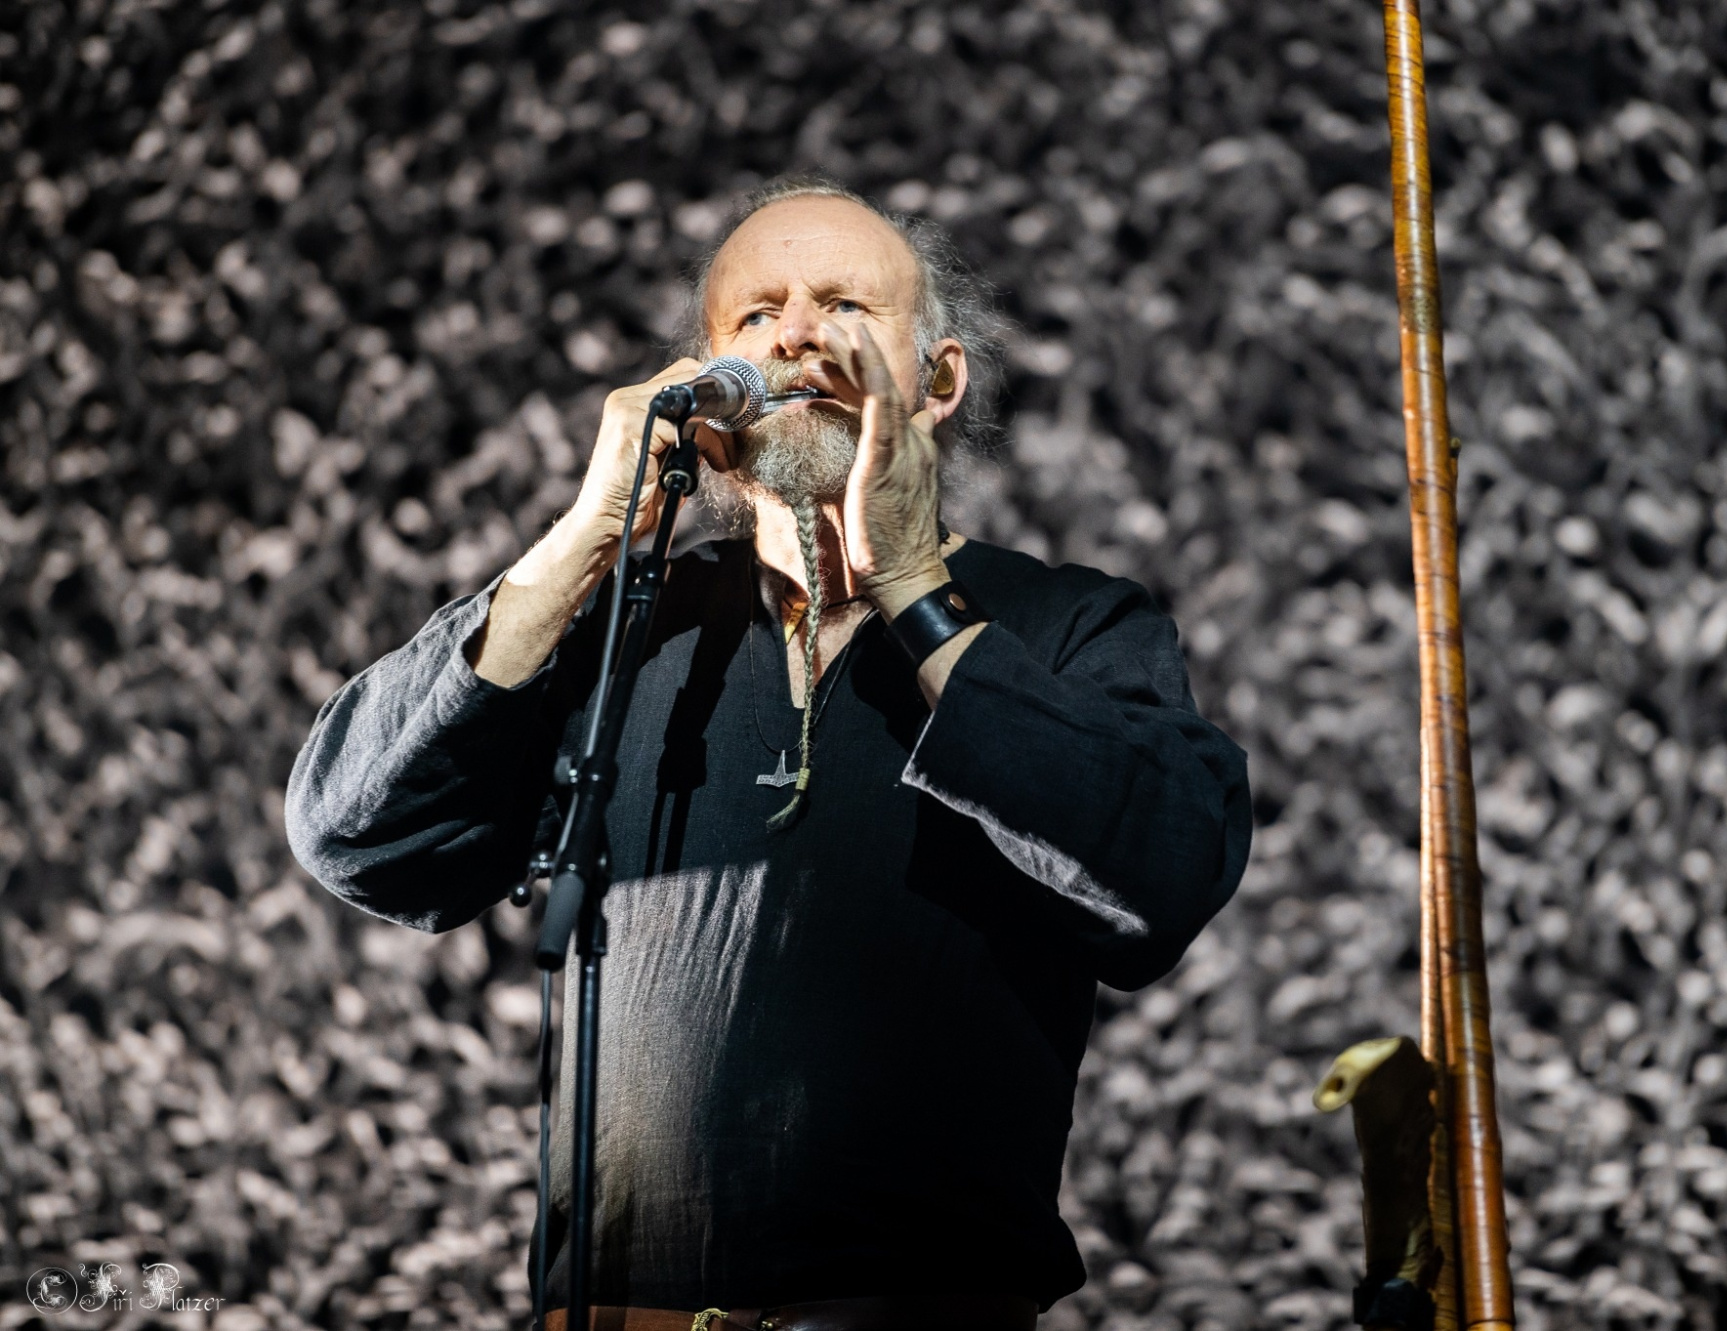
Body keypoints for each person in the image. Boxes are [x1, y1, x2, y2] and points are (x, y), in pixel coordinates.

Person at [286, 177, 1251, 1330]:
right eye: (755, 314)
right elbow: (357, 833)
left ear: (937, 379)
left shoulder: (1069, 624)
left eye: (842, 304)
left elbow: (1166, 867)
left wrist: (913, 591)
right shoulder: (621, 631)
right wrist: (586, 538)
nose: (794, 334)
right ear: (705, 389)